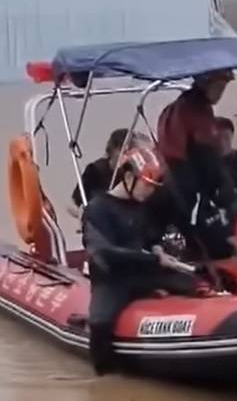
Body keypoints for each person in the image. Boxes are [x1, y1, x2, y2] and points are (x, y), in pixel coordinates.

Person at [81, 146, 201, 375]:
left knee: (192, 284)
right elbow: (105, 254)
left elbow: (149, 236)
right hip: (112, 278)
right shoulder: (97, 210)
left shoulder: (141, 206)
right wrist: (153, 261)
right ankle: (105, 376)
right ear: (128, 177)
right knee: (100, 323)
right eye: (147, 185)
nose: (150, 192)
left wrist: (156, 249)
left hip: (143, 271)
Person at [157, 69, 237, 259]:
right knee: (231, 201)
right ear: (204, 83)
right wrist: (223, 191)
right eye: (219, 87)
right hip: (183, 180)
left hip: (174, 177)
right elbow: (206, 156)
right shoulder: (194, 109)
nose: (221, 93)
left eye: (224, 88)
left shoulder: (182, 106)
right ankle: (209, 254)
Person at [68, 128, 133, 218]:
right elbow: (76, 201)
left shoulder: (130, 175)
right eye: (124, 151)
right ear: (113, 149)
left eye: (130, 151)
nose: (127, 156)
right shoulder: (95, 170)